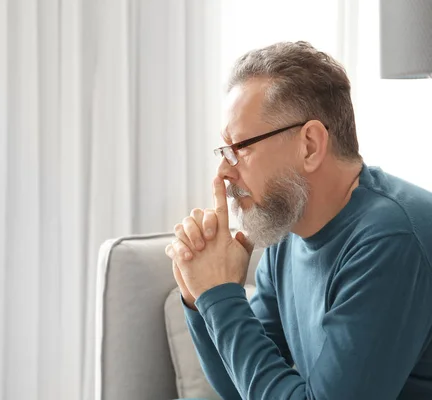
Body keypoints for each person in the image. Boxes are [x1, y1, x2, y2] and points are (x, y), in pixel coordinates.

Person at [164, 41, 432, 399]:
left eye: (240, 147)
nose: (224, 171)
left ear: (309, 145)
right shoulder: (289, 234)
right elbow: (241, 387)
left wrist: (220, 296)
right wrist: (199, 298)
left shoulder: (390, 239)